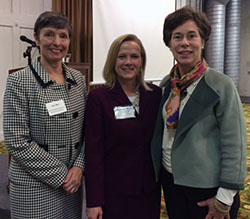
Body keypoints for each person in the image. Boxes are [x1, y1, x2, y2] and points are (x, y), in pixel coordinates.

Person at [151, 6, 247, 219]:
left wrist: (225, 197)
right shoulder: (168, 84)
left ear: (203, 42)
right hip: (172, 183)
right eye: (177, 37)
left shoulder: (221, 85)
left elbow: (235, 144)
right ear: (169, 44)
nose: (184, 43)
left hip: (207, 188)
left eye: (192, 36)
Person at [3, 11, 87, 219]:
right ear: (36, 38)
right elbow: (17, 141)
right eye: (49, 34)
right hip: (34, 185)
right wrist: (63, 176)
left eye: (63, 36)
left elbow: (89, 131)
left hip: (72, 186)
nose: (57, 42)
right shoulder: (20, 82)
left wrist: (79, 166)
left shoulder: (78, 79)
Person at [84, 34, 162, 219]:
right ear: (113, 61)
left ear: (141, 61)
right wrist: (94, 201)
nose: (128, 62)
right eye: (122, 57)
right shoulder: (99, 98)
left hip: (148, 191)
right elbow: (93, 153)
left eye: (134, 56)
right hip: (114, 193)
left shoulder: (155, 94)